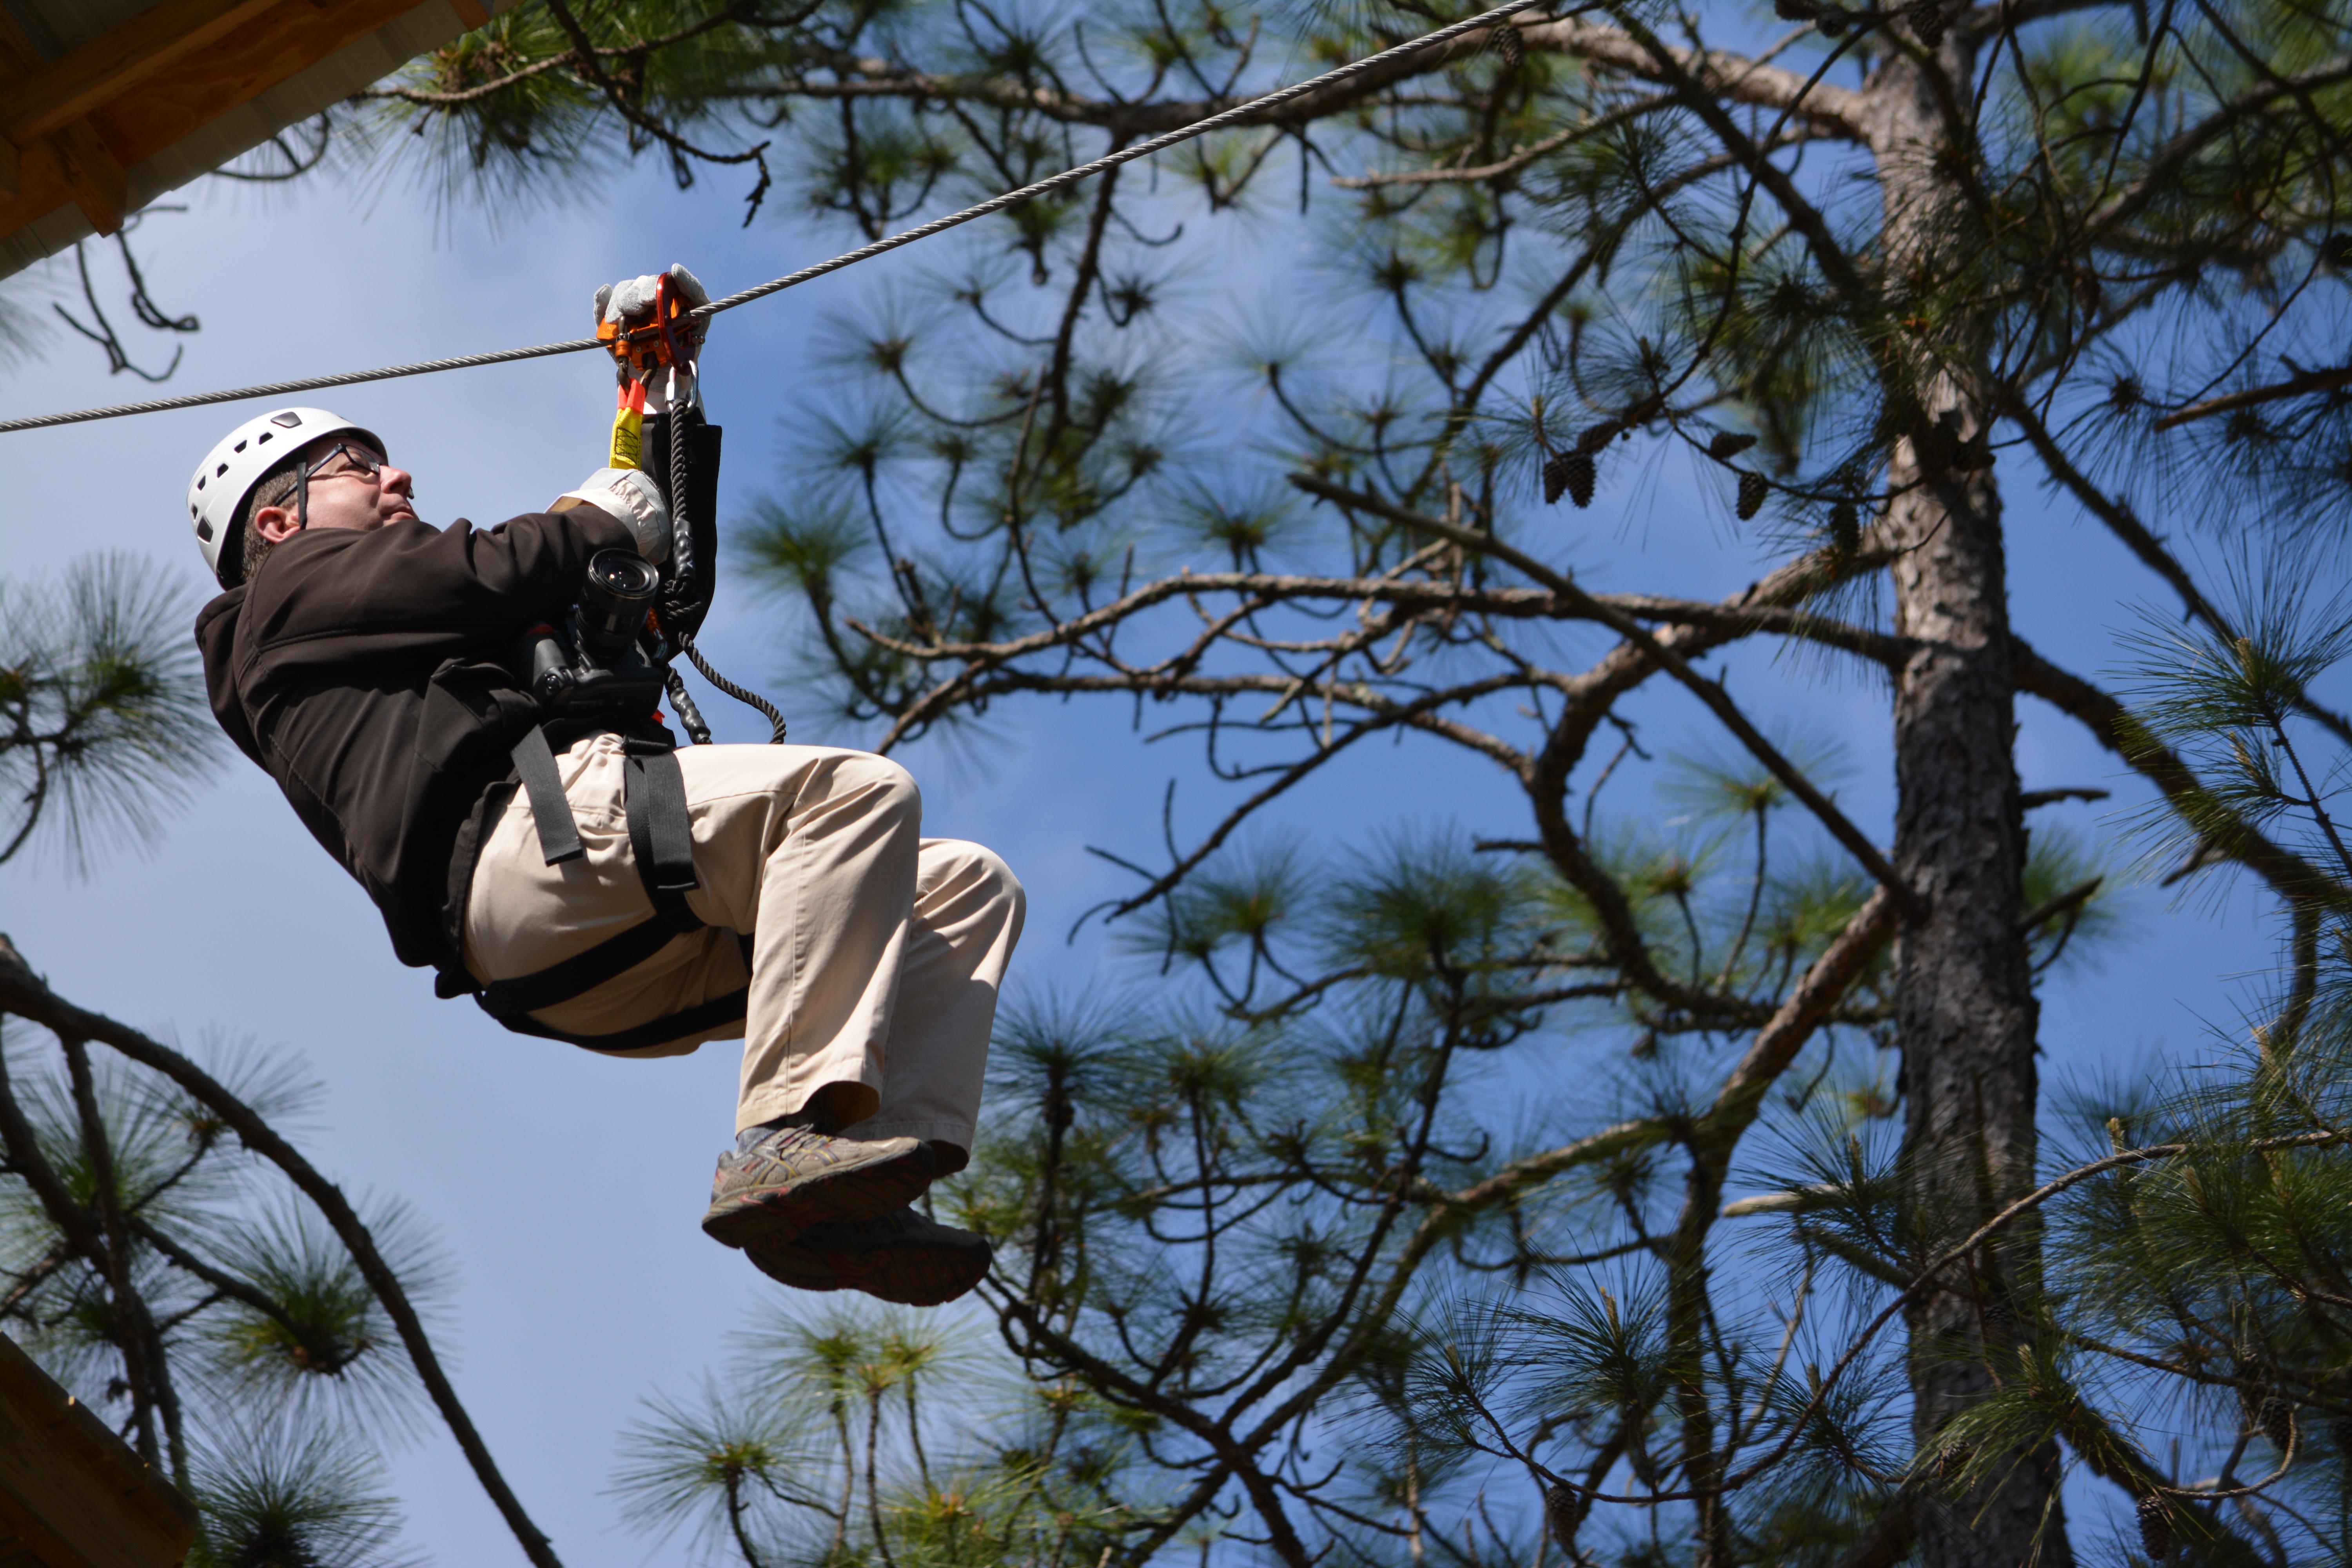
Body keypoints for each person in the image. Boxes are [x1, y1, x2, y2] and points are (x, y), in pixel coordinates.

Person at [185, 291, 1023, 1308]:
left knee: (963, 887)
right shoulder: (282, 599)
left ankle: (850, 1191)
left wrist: (661, 395)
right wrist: (582, 521)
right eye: (360, 470)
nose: (398, 474)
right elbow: (503, 564)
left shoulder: (404, 636)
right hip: (527, 845)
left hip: (592, 947)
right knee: (851, 793)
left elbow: (638, 581)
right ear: (278, 521)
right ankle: (786, 1138)